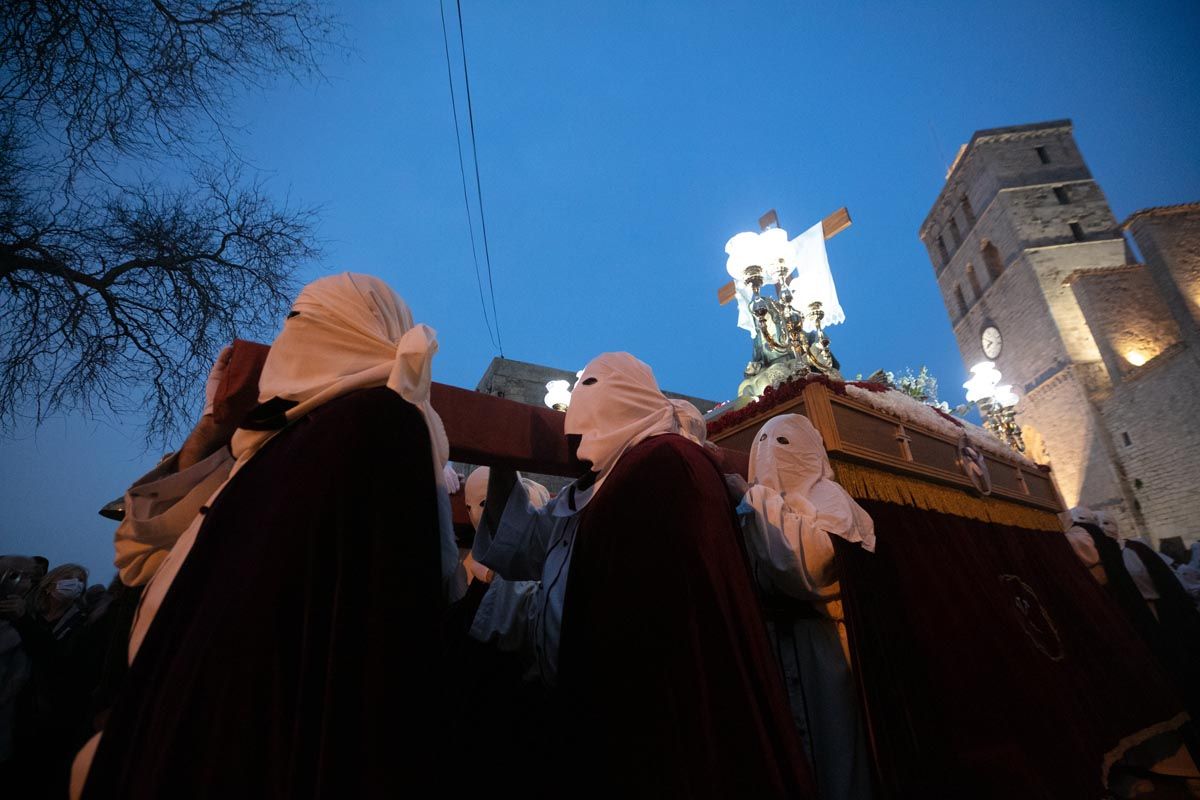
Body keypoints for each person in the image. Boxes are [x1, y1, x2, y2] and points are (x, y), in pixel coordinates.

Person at [75, 273, 466, 798]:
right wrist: (212, 425)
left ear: (351, 331)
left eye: (306, 319)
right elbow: (144, 557)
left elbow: (365, 650)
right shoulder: (274, 444)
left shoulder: (369, 427)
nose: (289, 337)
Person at [472, 352, 814, 797]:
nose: (579, 402)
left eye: (591, 385)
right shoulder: (609, 476)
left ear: (628, 397)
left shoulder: (662, 465)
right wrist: (501, 462)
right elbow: (535, 547)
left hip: (654, 712)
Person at [737, 413, 875, 800]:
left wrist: (758, 500)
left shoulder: (829, 498)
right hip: (778, 646)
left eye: (782, 444)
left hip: (824, 646)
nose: (768, 455)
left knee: (836, 753)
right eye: (760, 444)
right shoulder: (759, 503)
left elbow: (807, 567)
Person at [3, 564, 96, 796]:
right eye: (67, 578)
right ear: (48, 584)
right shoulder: (27, 612)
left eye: (79, 581)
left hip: (43, 719)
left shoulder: (81, 625)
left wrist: (24, 621)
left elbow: (56, 659)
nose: (74, 584)